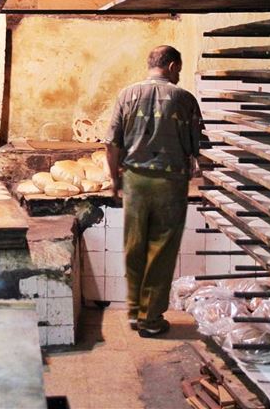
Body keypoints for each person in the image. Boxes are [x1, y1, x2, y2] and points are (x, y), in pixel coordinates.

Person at [104, 45, 203, 338]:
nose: (179, 74)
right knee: (161, 249)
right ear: (172, 66)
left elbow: (111, 143)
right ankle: (150, 320)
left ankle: (135, 313)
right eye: (179, 69)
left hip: (134, 180)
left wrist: (114, 180)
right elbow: (197, 149)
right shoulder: (184, 99)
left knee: (135, 246)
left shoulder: (126, 94)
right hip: (169, 183)